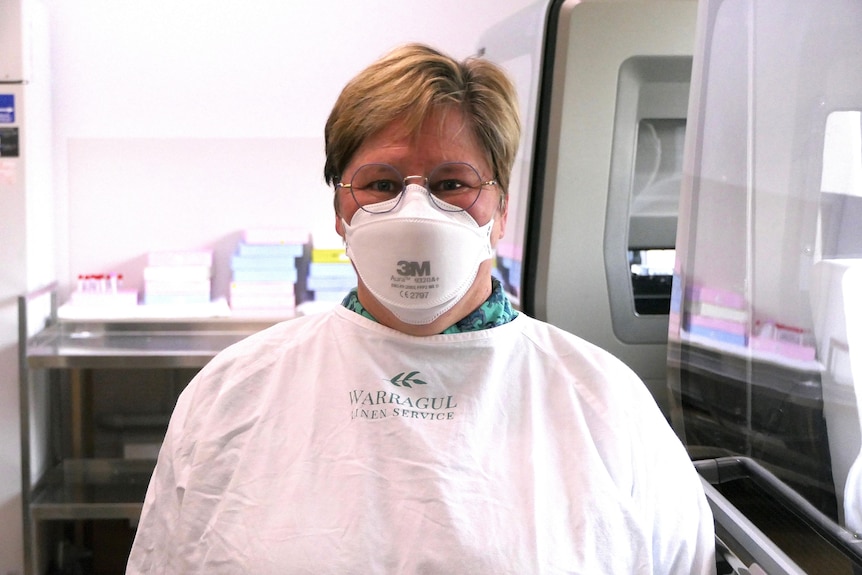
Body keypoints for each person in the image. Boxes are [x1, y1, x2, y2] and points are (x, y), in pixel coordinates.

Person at [126, 43, 715, 574]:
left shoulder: (605, 404)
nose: (415, 212)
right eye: (380, 184)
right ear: (340, 212)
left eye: (451, 184)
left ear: (501, 208)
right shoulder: (233, 395)